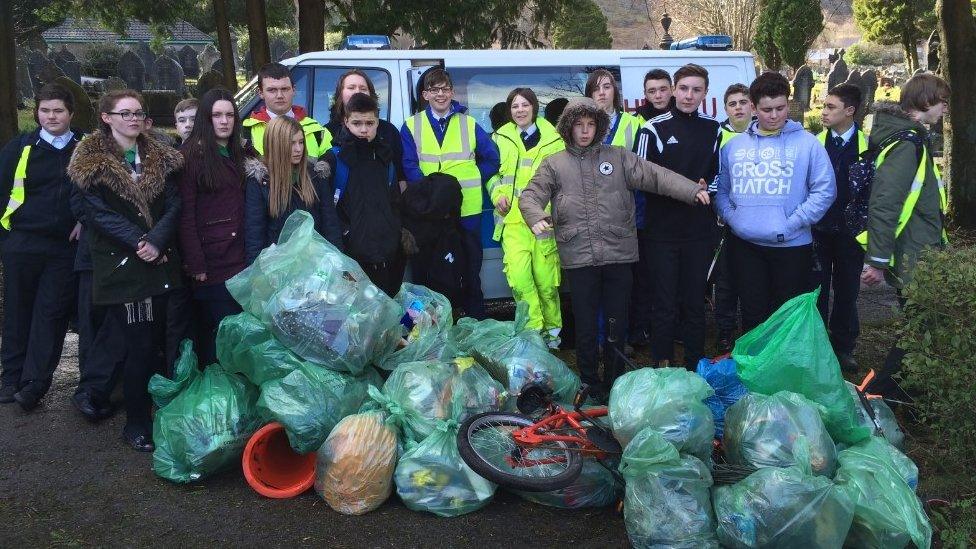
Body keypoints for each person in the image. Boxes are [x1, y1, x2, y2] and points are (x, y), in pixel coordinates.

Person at [519, 97, 709, 400]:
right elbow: (530, 195)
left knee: (616, 322)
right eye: (578, 125)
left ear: (599, 127)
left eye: (590, 124)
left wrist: (692, 190)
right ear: (568, 128)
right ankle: (590, 382)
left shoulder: (619, 157)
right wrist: (536, 215)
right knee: (584, 324)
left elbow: (656, 176)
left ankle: (615, 380)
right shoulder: (554, 164)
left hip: (618, 254)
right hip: (578, 257)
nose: (584, 131)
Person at [67, 89, 185, 452]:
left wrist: (157, 241)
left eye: (138, 113)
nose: (133, 119)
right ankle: (136, 422)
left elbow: (174, 203)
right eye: (125, 113)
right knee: (136, 347)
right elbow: (94, 213)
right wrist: (140, 242)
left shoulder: (162, 156)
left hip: (159, 262)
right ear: (107, 117)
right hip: (124, 265)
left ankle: (161, 414)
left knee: (155, 346)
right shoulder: (90, 162)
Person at [715, 72, 835, 332]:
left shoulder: (808, 144)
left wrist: (793, 224)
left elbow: (824, 191)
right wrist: (735, 220)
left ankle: (783, 371)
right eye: (767, 109)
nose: (774, 115)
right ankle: (755, 369)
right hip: (746, 246)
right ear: (754, 108)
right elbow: (722, 192)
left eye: (780, 108)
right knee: (752, 314)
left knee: (786, 317)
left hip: (791, 246)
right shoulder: (733, 148)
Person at [860, 73, 950, 397]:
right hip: (911, 249)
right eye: (942, 102)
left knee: (921, 324)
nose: (945, 109)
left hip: (919, 244)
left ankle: (905, 394)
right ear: (925, 101)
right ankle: (881, 395)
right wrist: (878, 260)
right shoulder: (906, 142)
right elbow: (885, 203)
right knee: (919, 326)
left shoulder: (912, 137)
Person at [0, 83, 82, 410]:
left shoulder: (84, 147)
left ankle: (34, 384)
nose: (51, 116)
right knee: (18, 313)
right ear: (37, 112)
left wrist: (84, 220)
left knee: (51, 315)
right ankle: (10, 378)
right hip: (22, 244)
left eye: (58, 110)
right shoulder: (20, 148)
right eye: (45, 110)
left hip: (64, 249)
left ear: (70, 114)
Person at [634, 63, 721, 368]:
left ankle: (696, 365)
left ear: (705, 93)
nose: (688, 95)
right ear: (673, 90)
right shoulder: (653, 128)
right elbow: (640, 177)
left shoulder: (714, 128)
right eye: (683, 88)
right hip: (662, 233)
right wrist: (685, 188)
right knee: (664, 303)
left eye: (696, 90)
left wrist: (706, 186)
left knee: (695, 303)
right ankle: (663, 363)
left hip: (698, 231)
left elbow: (718, 175)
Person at [400, 67, 500, 318]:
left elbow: (492, 158)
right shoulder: (412, 125)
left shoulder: (469, 123)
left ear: (452, 92)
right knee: (427, 274)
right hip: (429, 215)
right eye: (435, 89)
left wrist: (474, 176)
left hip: (467, 212)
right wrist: (434, 196)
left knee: (470, 271)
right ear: (425, 95)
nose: (441, 94)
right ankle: (429, 329)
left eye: (445, 89)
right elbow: (409, 165)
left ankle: (474, 326)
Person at [489, 88, 565, 348]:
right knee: (520, 281)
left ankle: (553, 335)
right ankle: (534, 336)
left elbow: (563, 181)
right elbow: (491, 174)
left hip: (543, 221)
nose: (519, 110)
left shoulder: (555, 140)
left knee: (546, 282)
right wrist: (497, 193)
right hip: (511, 221)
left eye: (524, 105)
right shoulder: (500, 138)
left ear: (534, 107)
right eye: (514, 106)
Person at [178, 88, 246, 365]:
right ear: (206, 119)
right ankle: (216, 398)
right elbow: (186, 215)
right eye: (216, 115)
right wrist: (196, 264)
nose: (224, 121)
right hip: (212, 261)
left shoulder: (240, 151)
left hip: (240, 256)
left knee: (236, 334)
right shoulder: (191, 156)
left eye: (229, 115)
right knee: (217, 337)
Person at [323, 92, 405, 297]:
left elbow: (394, 201)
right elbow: (326, 208)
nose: (363, 129)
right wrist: (346, 234)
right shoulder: (335, 159)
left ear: (378, 122)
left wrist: (395, 234)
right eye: (357, 123)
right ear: (346, 121)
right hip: (352, 255)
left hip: (387, 252)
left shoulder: (385, 156)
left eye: (370, 123)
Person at [813, 83, 868, 371]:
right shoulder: (816, 143)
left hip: (850, 233)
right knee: (817, 290)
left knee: (847, 291)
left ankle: (844, 346)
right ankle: (819, 345)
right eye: (824, 106)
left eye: (830, 107)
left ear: (850, 110)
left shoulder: (868, 147)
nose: (823, 112)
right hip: (819, 230)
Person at [244, 116, 342, 263]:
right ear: (276, 145)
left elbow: (331, 226)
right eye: (291, 143)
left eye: (301, 142)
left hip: (315, 265)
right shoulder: (260, 181)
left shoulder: (315, 175)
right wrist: (258, 276)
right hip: (279, 269)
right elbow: (254, 236)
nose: (298, 149)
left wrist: (337, 263)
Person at [713, 83, 755, 351]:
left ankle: (752, 332)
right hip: (725, 221)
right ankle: (725, 333)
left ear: (752, 105)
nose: (738, 107)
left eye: (743, 102)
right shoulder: (718, 135)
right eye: (732, 103)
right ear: (725, 108)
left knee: (752, 280)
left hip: (755, 221)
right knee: (725, 281)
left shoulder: (762, 134)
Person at [324, 69, 405, 182]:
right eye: (351, 87)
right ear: (340, 94)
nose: (357, 92)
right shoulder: (327, 131)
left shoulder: (388, 131)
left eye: (363, 88)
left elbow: (400, 175)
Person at [242, 63, 330, 158]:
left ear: (294, 90)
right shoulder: (246, 132)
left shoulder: (317, 131)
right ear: (261, 93)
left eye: (284, 89)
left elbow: (331, 163)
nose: (279, 95)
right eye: (272, 90)